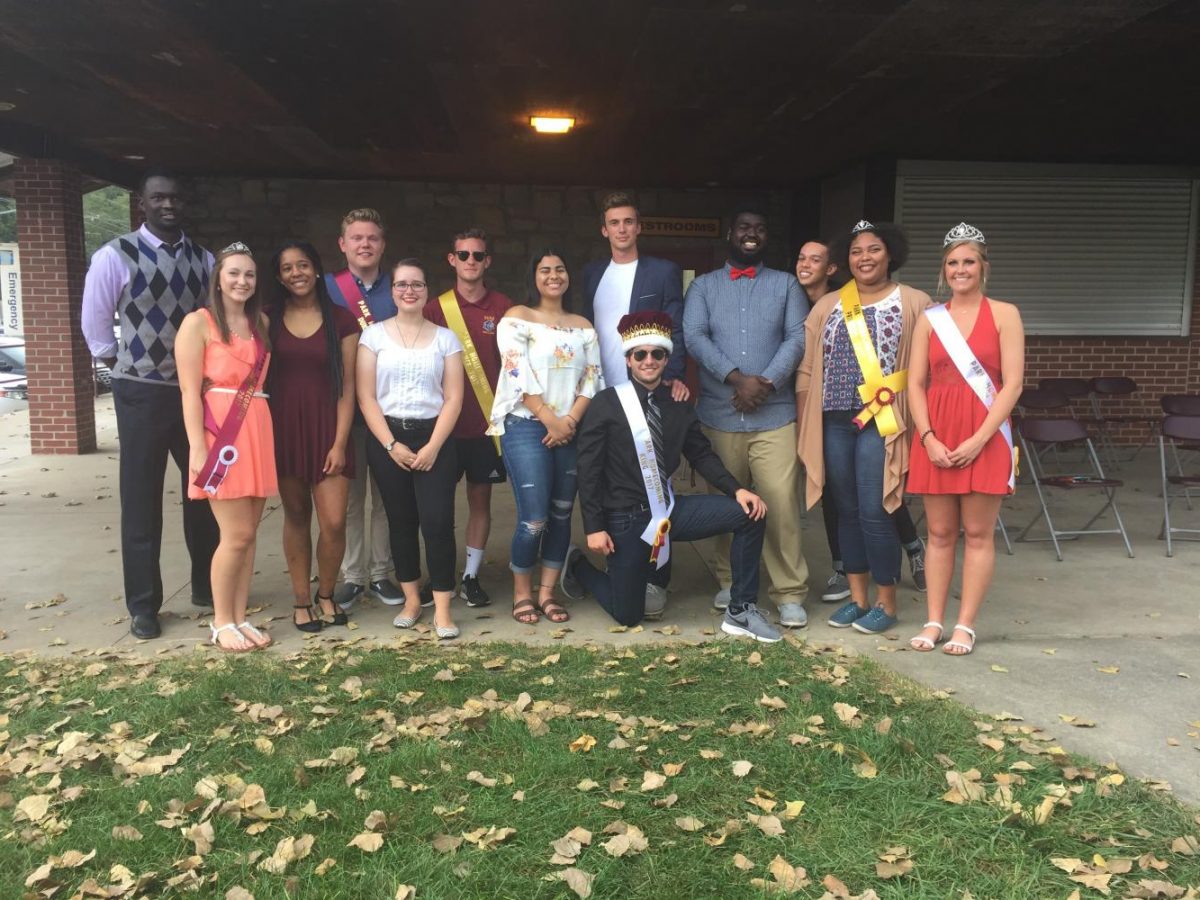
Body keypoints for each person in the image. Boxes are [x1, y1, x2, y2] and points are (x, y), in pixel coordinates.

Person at [565, 311, 777, 641]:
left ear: (666, 358)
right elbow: (588, 470)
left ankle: (741, 610)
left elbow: (701, 453)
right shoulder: (606, 403)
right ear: (628, 359)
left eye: (657, 354)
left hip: (668, 513)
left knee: (750, 514)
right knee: (628, 614)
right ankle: (578, 566)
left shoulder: (678, 403)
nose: (649, 361)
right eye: (641, 354)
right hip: (625, 519)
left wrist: (737, 490)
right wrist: (594, 527)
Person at [80, 169, 220, 640]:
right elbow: (96, 323)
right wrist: (118, 365)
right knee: (141, 500)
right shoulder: (114, 256)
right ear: (142, 202)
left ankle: (206, 585)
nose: (168, 205)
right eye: (158, 197)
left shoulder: (205, 260)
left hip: (193, 393)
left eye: (175, 197)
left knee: (202, 492)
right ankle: (144, 604)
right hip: (140, 391)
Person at [796, 220, 932, 635]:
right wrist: (805, 420)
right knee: (847, 512)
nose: (865, 258)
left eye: (873, 249)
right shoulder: (828, 305)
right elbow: (807, 368)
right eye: (856, 251)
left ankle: (885, 603)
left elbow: (928, 366)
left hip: (883, 421)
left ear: (890, 254)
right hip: (835, 420)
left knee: (876, 510)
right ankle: (857, 600)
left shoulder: (915, 302)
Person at [682, 204, 810, 627]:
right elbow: (694, 336)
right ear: (730, 234)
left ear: (765, 237)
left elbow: (796, 337)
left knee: (780, 504)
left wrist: (765, 383)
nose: (750, 234)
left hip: (774, 417)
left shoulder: (787, 285)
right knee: (728, 505)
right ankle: (730, 579)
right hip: (720, 415)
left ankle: (789, 590)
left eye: (758, 228)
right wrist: (737, 379)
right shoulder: (702, 288)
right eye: (743, 228)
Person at [906, 224, 1024, 656]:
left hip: (985, 433)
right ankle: (934, 620)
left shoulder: (1005, 314)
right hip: (938, 435)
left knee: (977, 533)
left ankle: (965, 626)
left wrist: (978, 440)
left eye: (968, 261)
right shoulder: (930, 318)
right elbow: (915, 384)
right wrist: (928, 437)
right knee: (938, 533)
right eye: (953, 262)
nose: (961, 269)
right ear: (944, 269)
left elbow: (1012, 385)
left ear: (983, 267)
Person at [579, 191, 688, 619]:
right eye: (614, 223)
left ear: (638, 226)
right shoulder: (591, 274)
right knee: (609, 478)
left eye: (629, 221)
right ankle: (614, 557)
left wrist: (672, 376)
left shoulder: (662, 271)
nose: (622, 229)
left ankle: (655, 571)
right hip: (604, 395)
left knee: (653, 476)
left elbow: (674, 327)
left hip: (648, 392)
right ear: (604, 229)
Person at [489, 249, 602, 627]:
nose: (554, 275)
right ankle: (522, 594)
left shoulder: (583, 324)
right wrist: (549, 419)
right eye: (545, 270)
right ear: (534, 277)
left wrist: (568, 420)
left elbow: (593, 378)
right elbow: (516, 372)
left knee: (561, 513)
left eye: (560, 268)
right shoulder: (517, 319)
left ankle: (548, 593)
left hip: (570, 426)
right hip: (526, 424)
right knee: (534, 519)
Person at [177, 242, 277, 652]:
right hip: (221, 435)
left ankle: (239, 616)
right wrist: (197, 447)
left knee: (249, 535)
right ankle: (220, 622)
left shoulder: (261, 323)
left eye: (249, 275)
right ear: (218, 277)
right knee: (233, 535)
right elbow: (187, 392)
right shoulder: (197, 323)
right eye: (234, 273)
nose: (242, 281)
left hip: (256, 427)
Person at [357, 259, 465, 638]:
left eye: (417, 285)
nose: (409, 291)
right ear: (392, 292)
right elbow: (366, 397)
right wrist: (390, 444)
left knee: (437, 522)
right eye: (402, 284)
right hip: (389, 439)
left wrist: (434, 445)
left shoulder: (445, 338)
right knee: (401, 522)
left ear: (426, 291)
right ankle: (412, 601)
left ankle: (443, 609)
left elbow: (453, 398)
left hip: (434, 438)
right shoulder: (373, 337)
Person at [268, 242, 359, 633]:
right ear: (278, 276)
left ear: (316, 269)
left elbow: (349, 387)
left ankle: (326, 594)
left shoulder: (342, 320)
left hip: (328, 428)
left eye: (302, 264)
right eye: (287, 268)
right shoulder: (266, 318)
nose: (295, 273)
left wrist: (339, 443)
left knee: (335, 521)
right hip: (284, 428)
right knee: (297, 515)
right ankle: (301, 601)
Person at [422, 227, 512, 609]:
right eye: (463, 255)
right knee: (437, 506)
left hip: (485, 426)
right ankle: (439, 575)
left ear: (487, 261)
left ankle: (471, 576)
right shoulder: (434, 308)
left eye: (478, 255)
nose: (470, 261)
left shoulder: (504, 307)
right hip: (441, 425)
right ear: (451, 259)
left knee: (480, 500)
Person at [325, 208, 403, 610]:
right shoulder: (327, 288)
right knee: (350, 500)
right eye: (356, 238)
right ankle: (353, 576)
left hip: (389, 409)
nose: (365, 245)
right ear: (343, 244)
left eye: (372, 238)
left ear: (383, 244)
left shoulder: (401, 288)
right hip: (343, 411)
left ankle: (381, 573)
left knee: (387, 496)